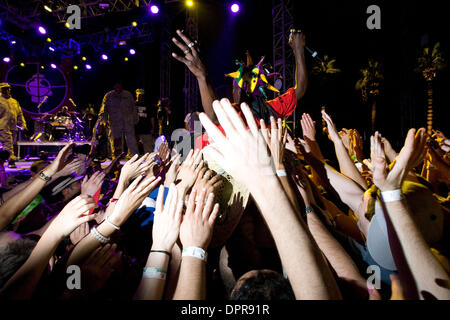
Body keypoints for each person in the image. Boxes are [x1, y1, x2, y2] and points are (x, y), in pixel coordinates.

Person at [98, 81, 139, 158]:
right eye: (116, 85)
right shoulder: (109, 95)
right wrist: (104, 121)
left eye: (119, 85)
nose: (118, 87)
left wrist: (135, 119)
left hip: (128, 121)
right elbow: (103, 109)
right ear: (114, 86)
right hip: (115, 122)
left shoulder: (127, 94)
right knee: (116, 141)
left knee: (131, 140)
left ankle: (134, 156)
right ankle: (117, 158)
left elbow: (133, 108)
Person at [0, 83, 27, 162]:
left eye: (8, 88)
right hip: (3, 126)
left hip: (13, 126)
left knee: (11, 143)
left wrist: (23, 124)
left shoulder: (14, 101)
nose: (7, 90)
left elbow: (20, 114)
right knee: (8, 143)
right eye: (4, 89)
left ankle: (6, 159)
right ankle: (10, 159)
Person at [134, 89, 156, 154]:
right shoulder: (133, 104)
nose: (140, 96)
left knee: (148, 149)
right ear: (136, 95)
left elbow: (152, 118)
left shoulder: (148, 105)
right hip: (135, 129)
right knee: (134, 148)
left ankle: (149, 161)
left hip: (146, 129)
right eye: (139, 95)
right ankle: (135, 161)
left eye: (142, 95)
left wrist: (153, 128)